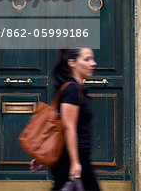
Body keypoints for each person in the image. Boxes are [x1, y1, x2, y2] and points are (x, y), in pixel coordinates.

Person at [50, 47, 101, 191]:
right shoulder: (72, 90)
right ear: (72, 63)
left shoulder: (78, 89)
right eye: (87, 59)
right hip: (72, 158)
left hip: (76, 157)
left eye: (92, 58)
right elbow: (68, 127)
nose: (93, 63)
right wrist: (74, 162)